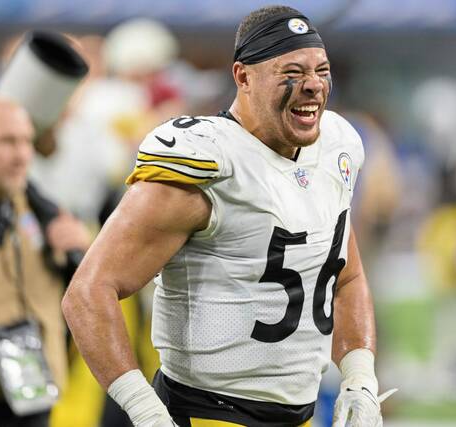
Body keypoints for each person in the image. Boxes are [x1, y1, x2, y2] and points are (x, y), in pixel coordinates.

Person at [62, 6, 393, 427]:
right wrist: (144, 409)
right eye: (292, 72)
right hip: (207, 413)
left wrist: (359, 378)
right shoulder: (206, 162)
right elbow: (87, 293)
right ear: (243, 77)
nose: (313, 85)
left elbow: (346, 275)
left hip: (300, 414)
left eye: (321, 70)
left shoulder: (335, 144)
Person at [0, 91, 90, 427]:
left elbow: (85, 302)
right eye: (7, 142)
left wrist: (83, 255)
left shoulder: (46, 213)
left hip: (32, 399)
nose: (23, 154)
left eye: (26, 141)